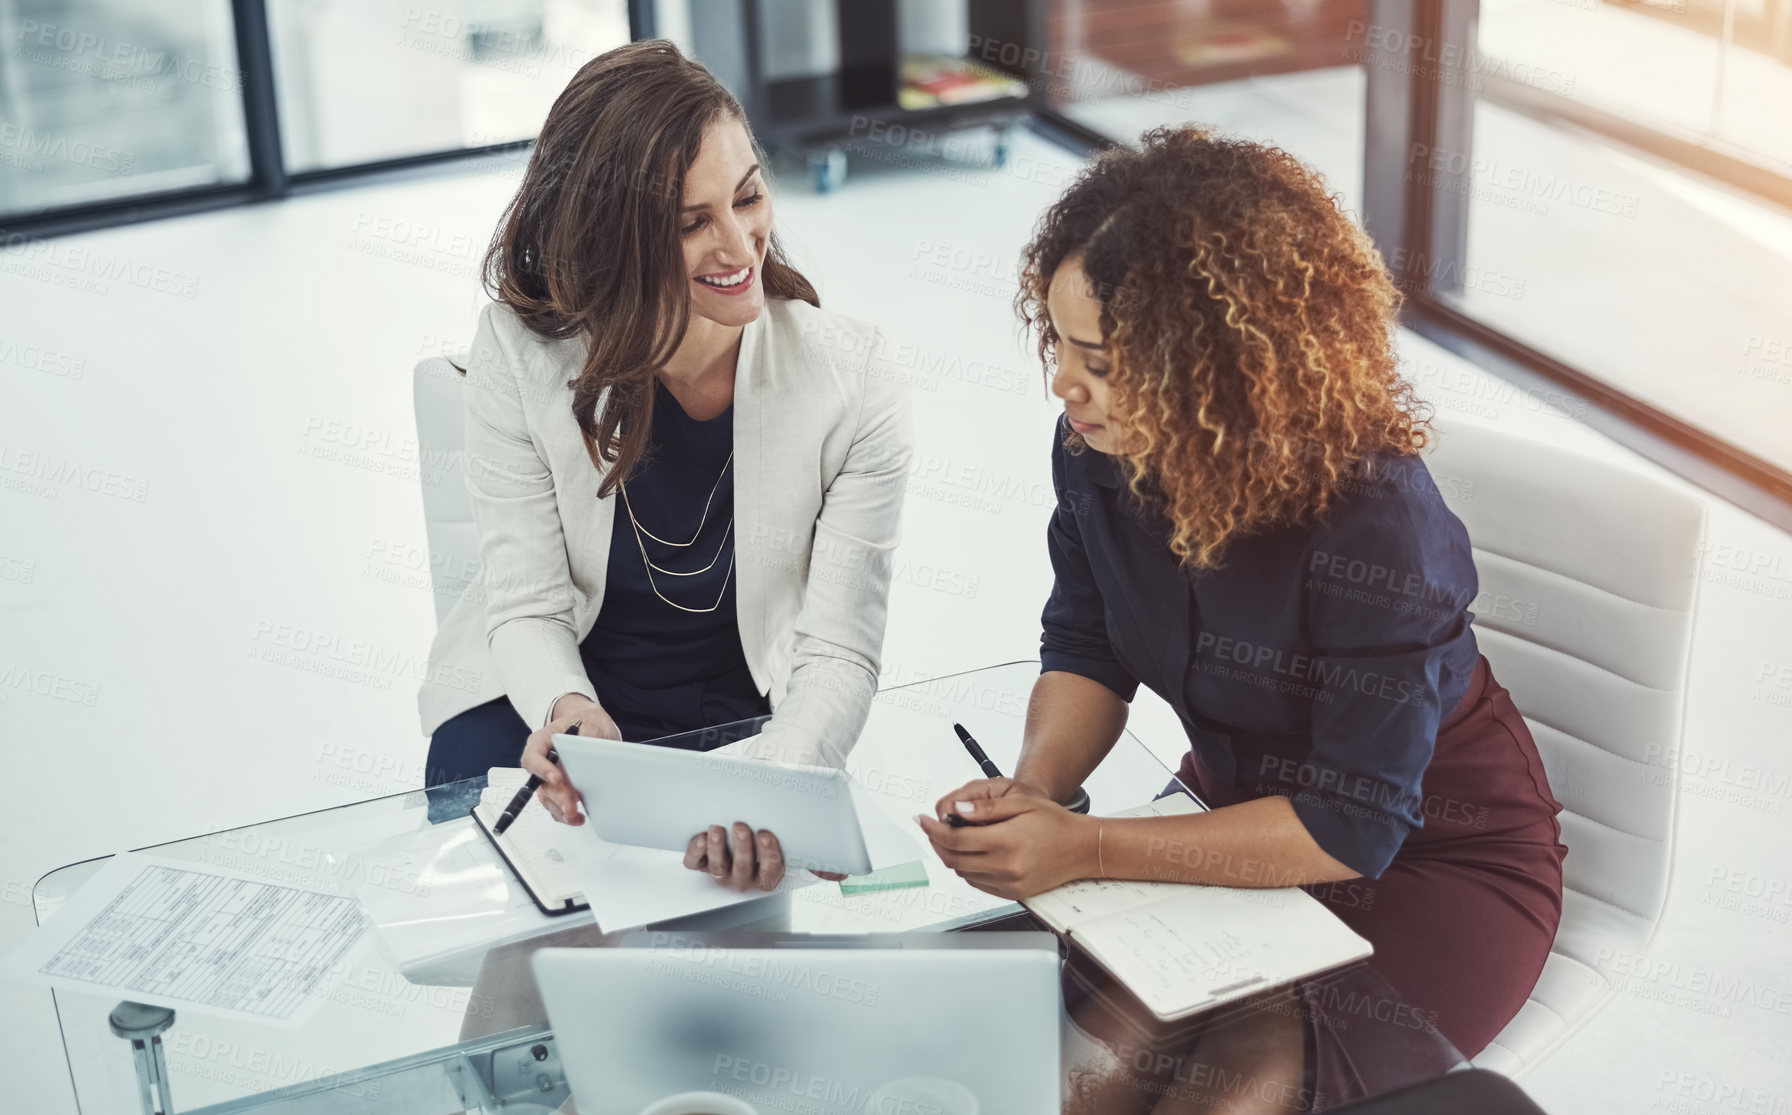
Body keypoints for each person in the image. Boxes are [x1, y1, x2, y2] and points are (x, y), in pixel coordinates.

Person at [916, 128, 1566, 1111]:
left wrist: (1085, 847)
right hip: (1233, 813)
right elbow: (1086, 643)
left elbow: (1352, 825)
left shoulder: (1378, 522)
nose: (1062, 383)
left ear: (1211, 366)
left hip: (1429, 855)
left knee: (1218, 1097)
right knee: (1077, 1075)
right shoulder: (1098, 448)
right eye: (1057, 344)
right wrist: (1033, 794)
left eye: (1096, 357)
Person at [418, 41, 911, 892]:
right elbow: (527, 603)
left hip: (735, 720)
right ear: (615, 243)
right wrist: (568, 713)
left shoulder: (854, 379)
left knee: (719, 948)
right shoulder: (521, 354)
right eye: (691, 222)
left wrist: (779, 784)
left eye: (748, 194)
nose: (739, 243)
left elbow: (839, 654)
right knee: (533, 928)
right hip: (555, 696)